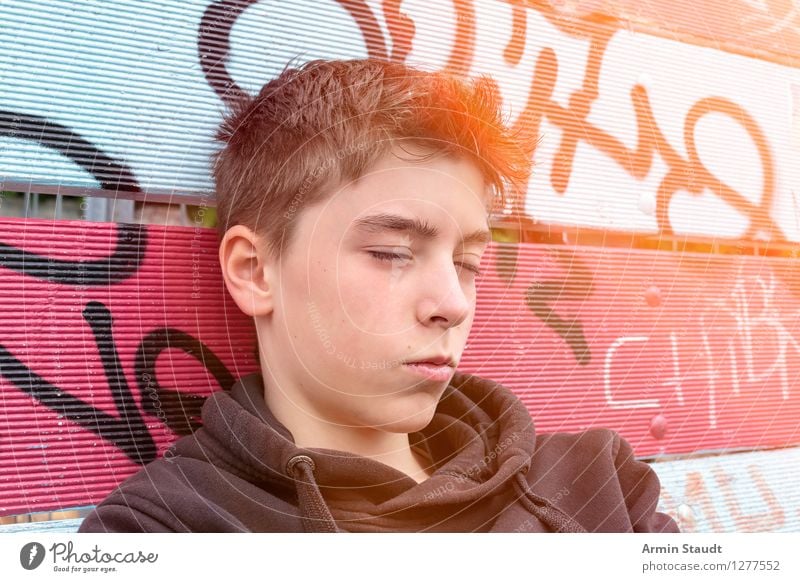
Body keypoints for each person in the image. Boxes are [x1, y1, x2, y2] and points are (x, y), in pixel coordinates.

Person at [78, 57, 679, 533]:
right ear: (256, 270)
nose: (453, 303)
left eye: (469, 261)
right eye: (391, 253)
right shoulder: (162, 534)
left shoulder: (598, 484)